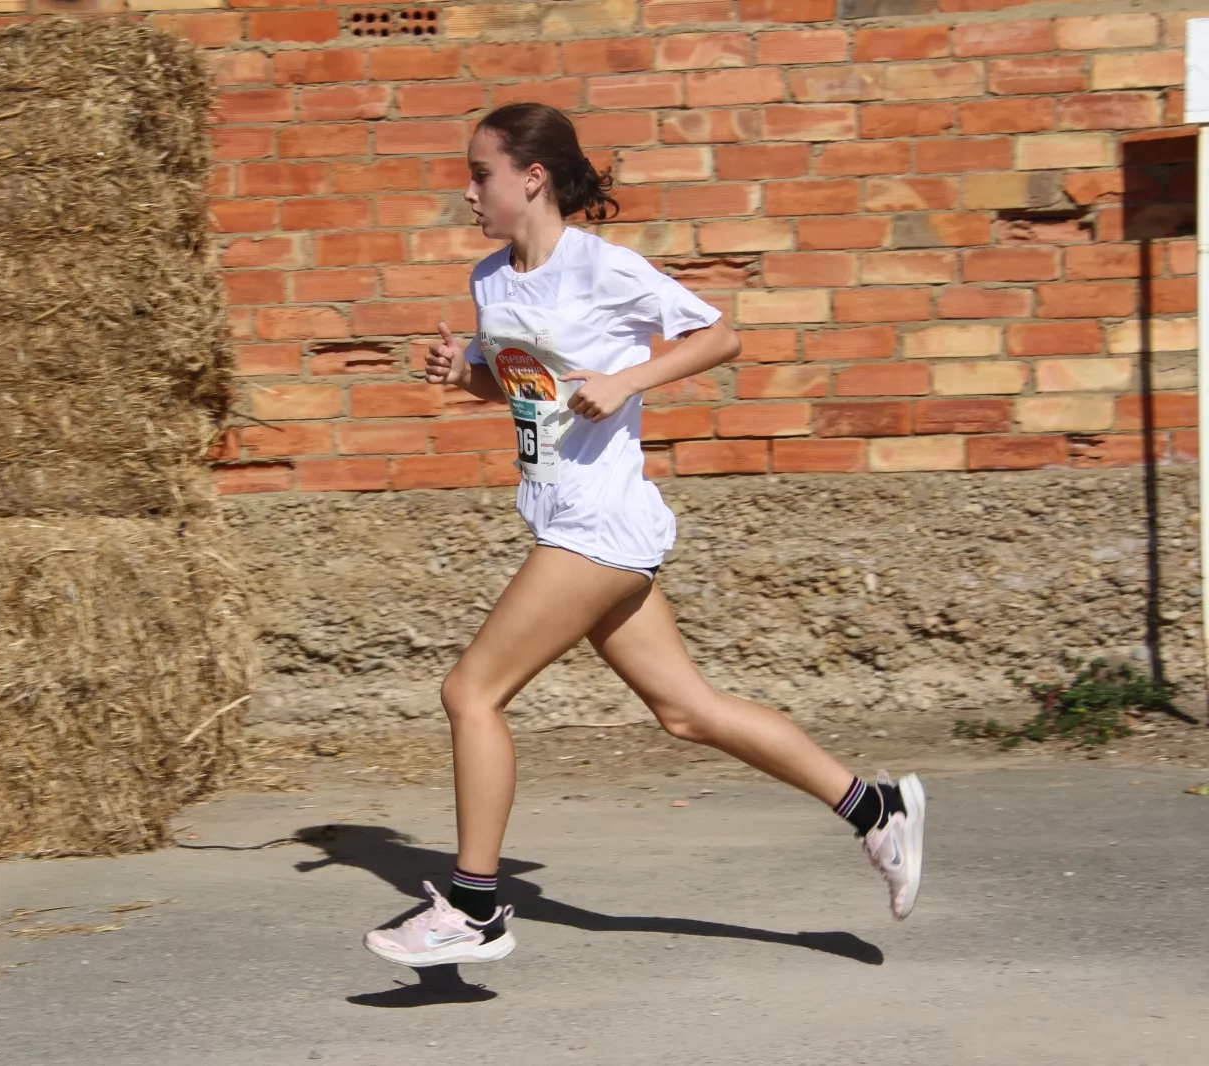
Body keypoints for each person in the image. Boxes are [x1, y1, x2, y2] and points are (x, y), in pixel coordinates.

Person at [363, 103, 926, 970]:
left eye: (481, 174)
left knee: (470, 693)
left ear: (532, 178)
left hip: (599, 523)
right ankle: (873, 810)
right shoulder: (490, 280)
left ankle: (474, 910)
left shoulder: (604, 269)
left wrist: (629, 379)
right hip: (563, 517)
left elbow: (719, 335)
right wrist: (465, 373)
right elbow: (530, 391)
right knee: (686, 711)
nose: (468, 190)